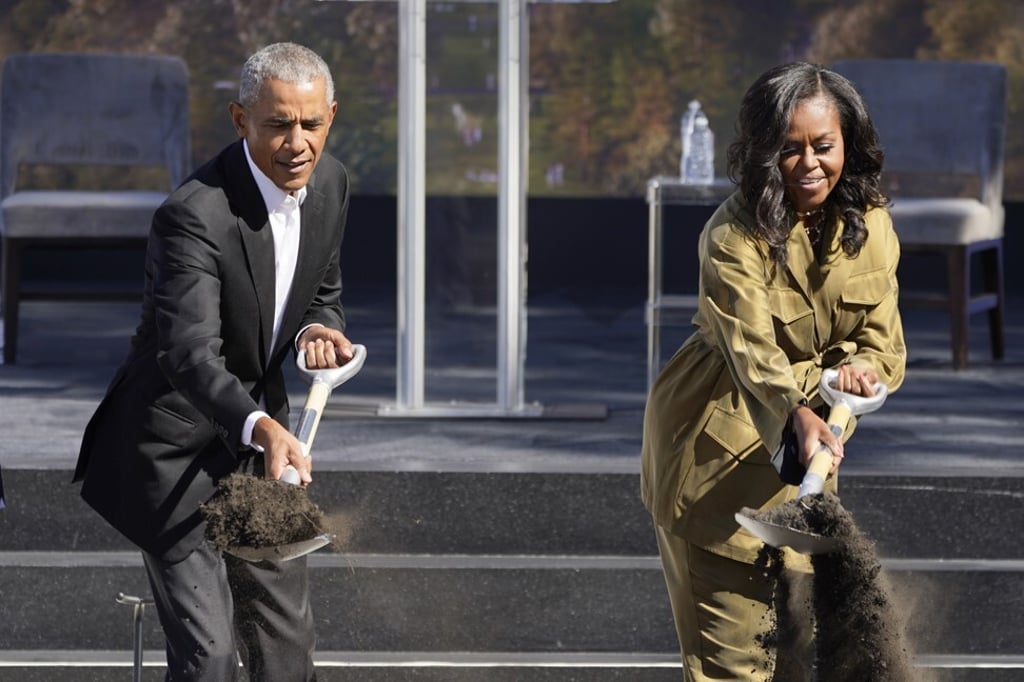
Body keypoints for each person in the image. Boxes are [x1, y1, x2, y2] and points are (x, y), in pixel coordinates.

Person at [74, 42, 354, 681]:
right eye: (277, 124)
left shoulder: (332, 184)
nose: (297, 143)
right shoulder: (192, 215)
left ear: (331, 116)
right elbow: (188, 354)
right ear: (240, 120)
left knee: (286, 653)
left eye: (311, 123)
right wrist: (260, 425)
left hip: (260, 452)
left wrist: (320, 329)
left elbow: (322, 291)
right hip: (171, 454)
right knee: (211, 661)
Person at [641, 62, 907, 680]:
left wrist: (862, 372)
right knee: (735, 664)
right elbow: (753, 352)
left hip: (808, 465)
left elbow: (881, 342)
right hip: (715, 458)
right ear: (762, 153)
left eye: (824, 145)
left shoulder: (874, 229)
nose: (810, 163)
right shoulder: (732, 236)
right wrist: (797, 413)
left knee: (795, 660)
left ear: (850, 144)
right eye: (789, 149)